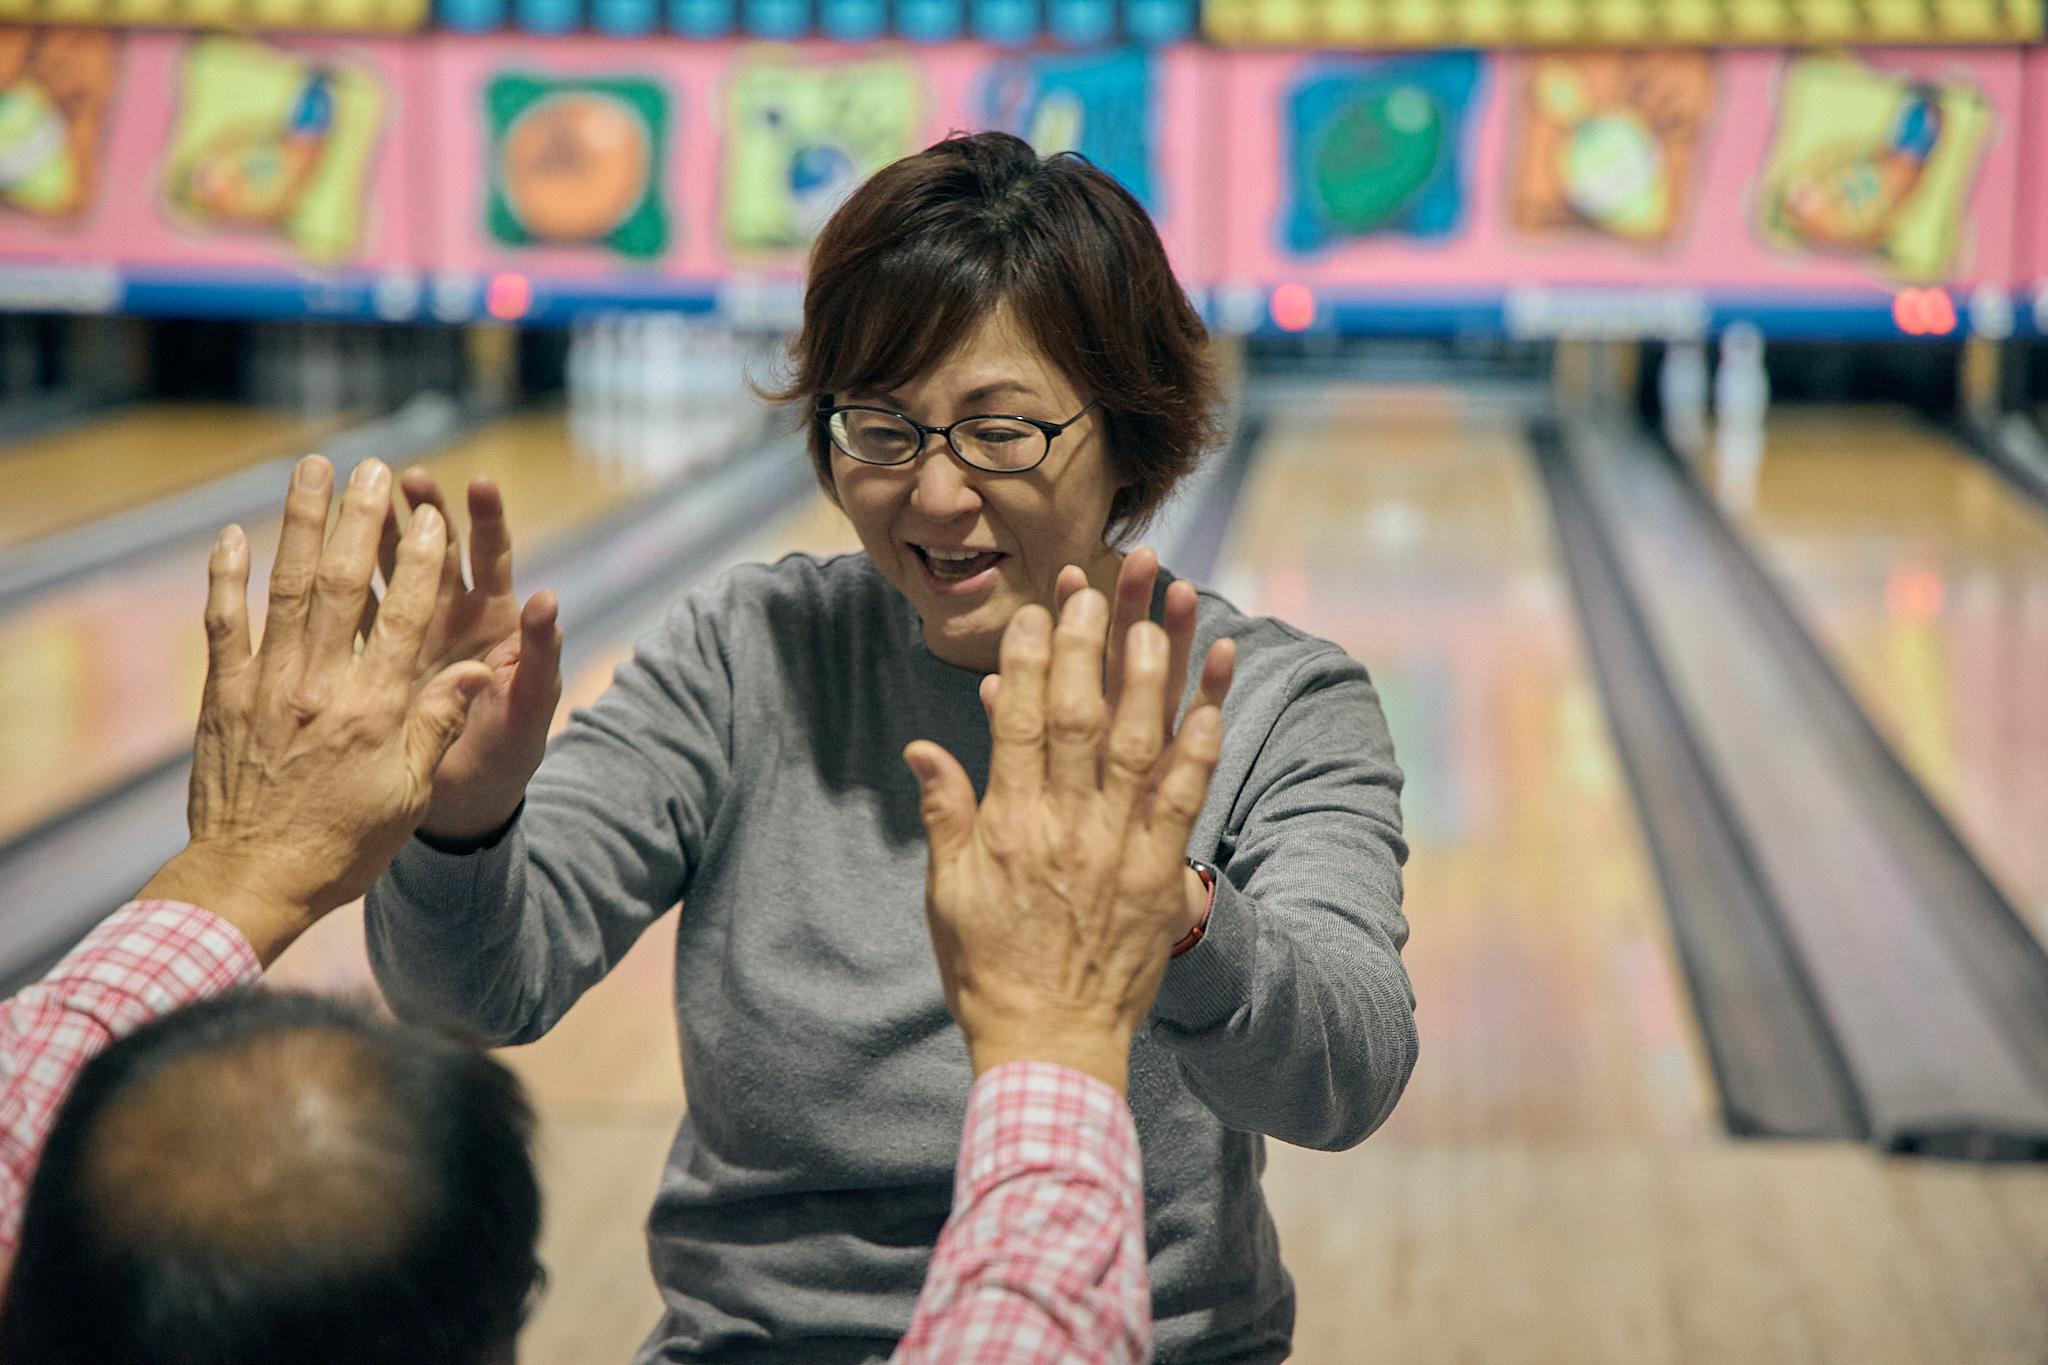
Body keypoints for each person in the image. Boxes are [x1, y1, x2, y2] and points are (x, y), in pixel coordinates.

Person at [368, 130, 1415, 1363]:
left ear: (1131, 433)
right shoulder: (746, 654)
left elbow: (1347, 1076)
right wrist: (459, 823)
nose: (933, 495)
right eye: (881, 426)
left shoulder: (1274, 700)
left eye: (1000, 432)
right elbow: (472, 997)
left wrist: (1177, 917)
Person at [4, 566, 1228, 1365]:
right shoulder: (742, 650)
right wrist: (1056, 1035)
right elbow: (1025, 1326)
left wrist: (243, 869)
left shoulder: (1277, 690)